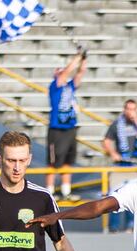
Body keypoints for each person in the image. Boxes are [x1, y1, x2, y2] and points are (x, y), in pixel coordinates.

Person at [103, 99, 137, 232]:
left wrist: (136, 121)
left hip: (136, 166)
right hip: (121, 165)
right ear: (124, 110)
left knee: (135, 195)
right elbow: (106, 141)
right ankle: (114, 227)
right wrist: (113, 153)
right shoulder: (116, 124)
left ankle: (131, 225)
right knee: (115, 194)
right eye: (128, 109)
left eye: (133, 109)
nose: (131, 112)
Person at [46, 52, 87, 201]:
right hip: (57, 129)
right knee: (53, 162)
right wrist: (77, 57)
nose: (61, 72)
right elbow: (66, 73)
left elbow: (80, 73)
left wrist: (84, 59)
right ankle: (49, 191)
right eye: (59, 71)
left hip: (70, 128)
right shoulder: (54, 87)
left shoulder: (70, 87)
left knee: (68, 161)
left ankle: (65, 191)